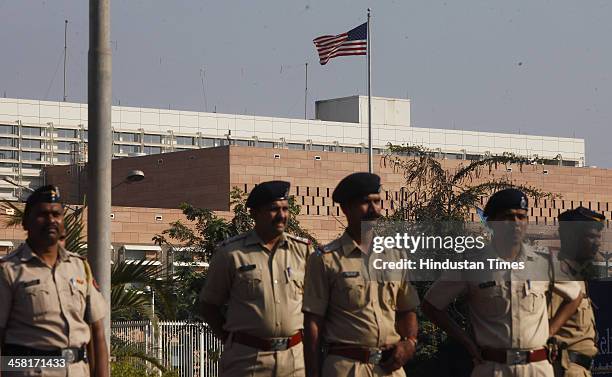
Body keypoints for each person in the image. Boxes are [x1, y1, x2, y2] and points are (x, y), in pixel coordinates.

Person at [422, 188, 583, 377]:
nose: (516, 223)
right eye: (508, 217)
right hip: (492, 367)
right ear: (492, 223)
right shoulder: (472, 265)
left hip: (536, 367)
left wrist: (550, 331)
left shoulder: (543, 262)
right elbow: (431, 305)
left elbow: (575, 295)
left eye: (521, 217)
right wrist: (467, 342)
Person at [303, 172, 419, 377]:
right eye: (365, 203)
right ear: (345, 208)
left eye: (377, 202)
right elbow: (313, 324)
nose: (374, 210)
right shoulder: (325, 259)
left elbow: (406, 309)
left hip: (390, 368)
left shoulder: (396, 254)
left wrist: (409, 342)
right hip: (347, 368)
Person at [199, 180, 313, 377]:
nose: (282, 216)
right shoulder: (231, 253)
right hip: (247, 359)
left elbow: (316, 305)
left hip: (294, 360)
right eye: (273, 209)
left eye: (285, 209)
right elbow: (208, 305)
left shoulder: (303, 251)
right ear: (254, 213)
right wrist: (231, 340)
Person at [0, 185, 109, 377]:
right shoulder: (8, 270)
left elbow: (97, 333)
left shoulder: (80, 267)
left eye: (56, 214)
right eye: (42, 214)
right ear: (26, 222)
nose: (51, 220)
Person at [551, 207, 604, 377]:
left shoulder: (578, 275)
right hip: (562, 369)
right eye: (590, 236)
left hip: (579, 369)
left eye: (598, 236)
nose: (597, 243)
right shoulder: (554, 275)